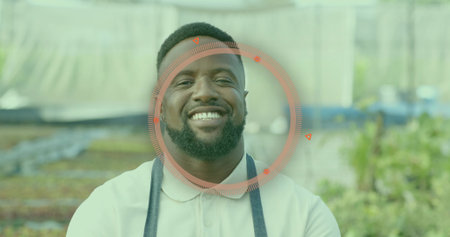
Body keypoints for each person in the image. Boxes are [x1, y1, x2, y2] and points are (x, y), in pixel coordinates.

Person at [67, 22, 340, 237]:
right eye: (184, 82)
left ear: (243, 102)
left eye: (222, 79)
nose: (205, 93)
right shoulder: (108, 213)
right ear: (160, 107)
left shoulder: (303, 217)